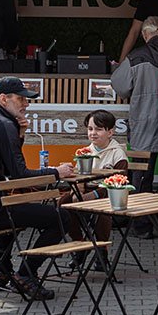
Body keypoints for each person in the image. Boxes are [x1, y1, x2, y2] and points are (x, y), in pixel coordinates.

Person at [0, 76, 75, 300]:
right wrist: (57, 172)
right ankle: (26, 274)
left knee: (19, 207)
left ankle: (3, 271)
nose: (26, 104)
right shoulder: (3, 124)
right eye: (21, 99)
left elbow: (8, 167)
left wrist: (20, 135)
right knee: (61, 217)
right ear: (3, 99)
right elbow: (19, 174)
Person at [111, 16, 158, 238]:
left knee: (142, 179)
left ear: (144, 35)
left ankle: (142, 227)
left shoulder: (135, 58)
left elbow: (120, 87)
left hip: (143, 127)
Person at [61, 110, 128, 269]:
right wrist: (77, 191)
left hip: (107, 194)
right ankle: (80, 245)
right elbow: (77, 176)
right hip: (85, 190)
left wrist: (91, 195)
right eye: (90, 129)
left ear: (110, 132)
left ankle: (102, 251)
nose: (93, 133)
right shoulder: (85, 151)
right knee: (63, 204)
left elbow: (118, 183)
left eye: (98, 129)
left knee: (101, 211)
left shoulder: (118, 155)